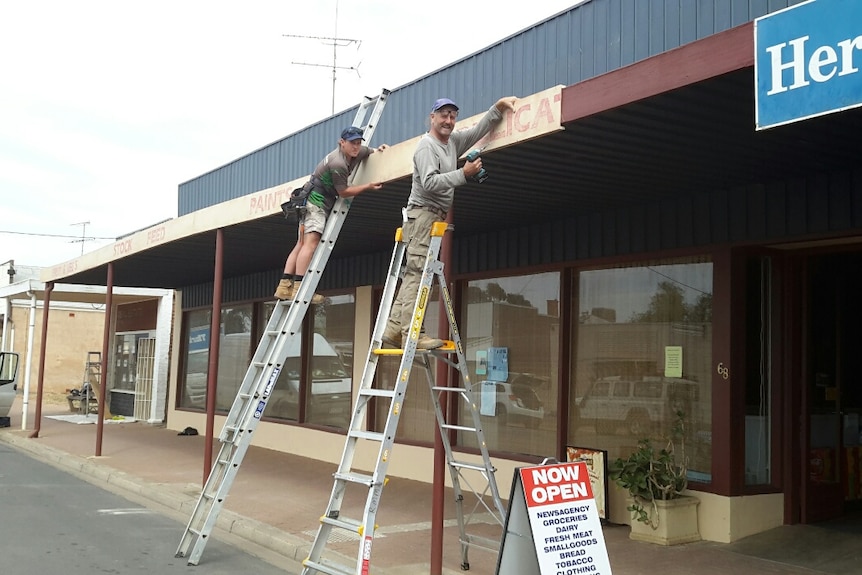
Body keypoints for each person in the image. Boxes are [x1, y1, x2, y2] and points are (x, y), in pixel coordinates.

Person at [383, 96, 517, 349]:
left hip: (432, 215)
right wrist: (463, 174)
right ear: (432, 117)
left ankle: (393, 329)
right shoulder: (427, 146)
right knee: (418, 274)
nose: (448, 120)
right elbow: (430, 182)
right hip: (423, 214)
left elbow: (478, 130)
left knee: (414, 273)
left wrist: (497, 108)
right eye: (443, 114)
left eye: (453, 115)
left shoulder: (452, 141)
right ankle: (413, 333)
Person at [274, 126, 387, 302]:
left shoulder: (354, 152)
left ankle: (284, 286)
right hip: (316, 203)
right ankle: (299, 289)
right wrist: (368, 186)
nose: (356, 147)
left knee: (301, 243)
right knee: (310, 243)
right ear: (342, 143)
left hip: (309, 199)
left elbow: (367, 151)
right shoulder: (338, 163)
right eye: (352, 143)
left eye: (358, 143)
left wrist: (377, 150)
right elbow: (344, 192)